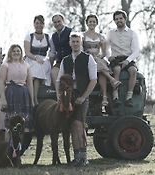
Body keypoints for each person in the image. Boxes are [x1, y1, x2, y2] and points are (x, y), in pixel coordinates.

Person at [56, 33, 97, 166]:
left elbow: (93, 80)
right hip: (68, 98)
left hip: (82, 96)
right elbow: (58, 80)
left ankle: (83, 157)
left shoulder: (88, 58)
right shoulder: (65, 60)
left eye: (77, 41)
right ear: (70, 43)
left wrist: (84, 97)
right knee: (72, 126)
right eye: (73, 41)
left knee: (79, 125)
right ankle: (76, 157)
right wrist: (59, 96)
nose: (75, 43)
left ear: (81, 42)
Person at [0, 44, 34, 155]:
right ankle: (7, 152)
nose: (16, 53)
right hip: (11, 94)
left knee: (22, 126)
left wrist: (31, 99)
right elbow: (1, 82)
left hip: (23, 95)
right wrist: (3, 99)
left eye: (18, 51)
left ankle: (18, 153)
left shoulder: (26, 65)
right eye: (14, 51)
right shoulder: (5, 65)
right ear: (10, 53)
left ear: (21, 52)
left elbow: (30, 83)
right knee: (10, 125)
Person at [83, 14, 121, 107]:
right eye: (90, 21)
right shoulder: (83, 36)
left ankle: (104, 97)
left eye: (94, 22)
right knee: (95, 61)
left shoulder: (101, 36)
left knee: (100, 71)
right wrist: (90, 56)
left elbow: (104, 52)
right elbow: (81, 50)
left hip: (98, 59)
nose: (92, 23)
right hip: (86, 59)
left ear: (96, 23)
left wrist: (99, 56)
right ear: (87, 23)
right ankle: (112, 80)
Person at [106, 10, 140, 107]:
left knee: (133, 70)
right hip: (115, 58)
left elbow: (136, 51)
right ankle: (115, 96)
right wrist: (109, 57)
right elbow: (106, 48)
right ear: (114, 21)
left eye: (120, 18)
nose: (118, 20)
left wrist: (127, 61)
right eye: (116, 19)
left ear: (125, 19)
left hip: (128, 58)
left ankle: (129, 98)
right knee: (116, 70)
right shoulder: (110, 33)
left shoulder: (132, 33)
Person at [24, 15, 53, 106]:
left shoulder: (48, 37)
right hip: (31, 58)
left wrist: (49, 60)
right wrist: (36, 58)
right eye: (37, 23)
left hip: (43, 60)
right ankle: (31, 98)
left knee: (38, 77)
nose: (39, 25)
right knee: (35, 70)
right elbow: (27, 52)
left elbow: (52, 51)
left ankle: (34, 98)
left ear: (44, 24)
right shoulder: (29, 36)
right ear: (34, 24)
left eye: (41, 23)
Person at [50, 13, 72, 90]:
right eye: (55, 22)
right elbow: (52, 53)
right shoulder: (53, 36)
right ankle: (58, 96)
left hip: (71, 60)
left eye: (59, 21)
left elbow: (76, 47)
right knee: (53, 71)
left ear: (63, 21)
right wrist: (50, 65)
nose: (57, 24)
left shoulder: (70, 32)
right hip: (59, 62)